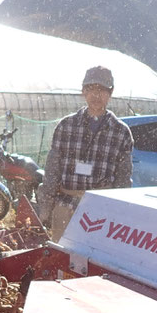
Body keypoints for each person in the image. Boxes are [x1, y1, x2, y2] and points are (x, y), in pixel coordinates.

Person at [39, 65, 135, 240]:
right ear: (83, 91)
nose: (96, 95)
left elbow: (123, 179)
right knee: (63, 260)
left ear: (110, 93)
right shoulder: (65, 126)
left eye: (102, 90)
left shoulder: (121, 132)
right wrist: (45, 209)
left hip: (102, 211)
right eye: (91, 89)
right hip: (65, 206)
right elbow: (52, 172)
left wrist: (121, 214)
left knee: (94, 261)